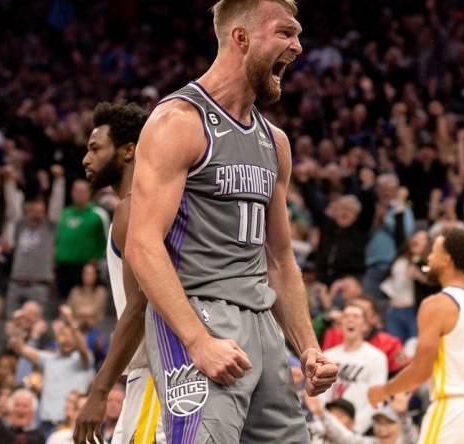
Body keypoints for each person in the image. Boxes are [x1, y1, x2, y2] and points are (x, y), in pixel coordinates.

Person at [124, 1, 337, 442]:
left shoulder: (274, 141)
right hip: (198, 311)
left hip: (262, 322)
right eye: (285, 33)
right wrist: (198, 340)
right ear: (240, 38)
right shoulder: (178, 122)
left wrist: (308, 347)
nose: (298, 47)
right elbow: (143, 244)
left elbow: (279, 258)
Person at [75, 101, 166, 444]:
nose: (86, 158)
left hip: (158, 377)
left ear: (129, 151)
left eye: (95, 148)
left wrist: (99, 392)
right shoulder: (149, 204)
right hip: (154, 377)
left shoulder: (133, 209)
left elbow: (140, 306)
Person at [368, 228, 464, 443]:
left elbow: (420, 371)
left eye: (433, 252)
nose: (428, 257)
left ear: (446, 259)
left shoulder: (437, 304)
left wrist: (384, 390)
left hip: (455, 412)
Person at [10, 306, 94, 434]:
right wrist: (18, 327)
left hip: (73, 424)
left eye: (69, 335)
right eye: (62, 335)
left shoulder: (82, 360)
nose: (65, 339)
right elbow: (19, 348)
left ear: (76, 338)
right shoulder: (48, 358)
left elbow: (83, 348)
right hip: (46, 425)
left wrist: (71, 321)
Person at [2, 163, 64, 319]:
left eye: (40, 212)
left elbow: (56, 206)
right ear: (27, 211)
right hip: (15, 284)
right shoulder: (20, 226)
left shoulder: (50, 228)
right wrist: (9, 182)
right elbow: (11, 208)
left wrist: (59, 181)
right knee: (11, 326)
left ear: (44, 212)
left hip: (39, 286)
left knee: (37, 325)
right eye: (33, 211)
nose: (36, 215)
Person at [319, 303, 388, 433]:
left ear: (365, 325)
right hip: (327, 427)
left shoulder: (377, 357)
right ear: (340, 324)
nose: (350, 319)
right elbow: (321, 395)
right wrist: (325, 423)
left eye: (356, 316)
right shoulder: (328, 356)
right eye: (346, 316)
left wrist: (355, 428)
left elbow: (377, 399)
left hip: (357, 428)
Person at [55, 178, 109, 299]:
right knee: (63, 304)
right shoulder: (65, 213)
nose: (79, 194)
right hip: (63, 267)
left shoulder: (98, 214)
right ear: (71, 193)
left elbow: (106, 241)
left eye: (82, 191)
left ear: (89, 193)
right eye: (76, 191)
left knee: (83, 304)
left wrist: (96, 262)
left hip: (86, 268)